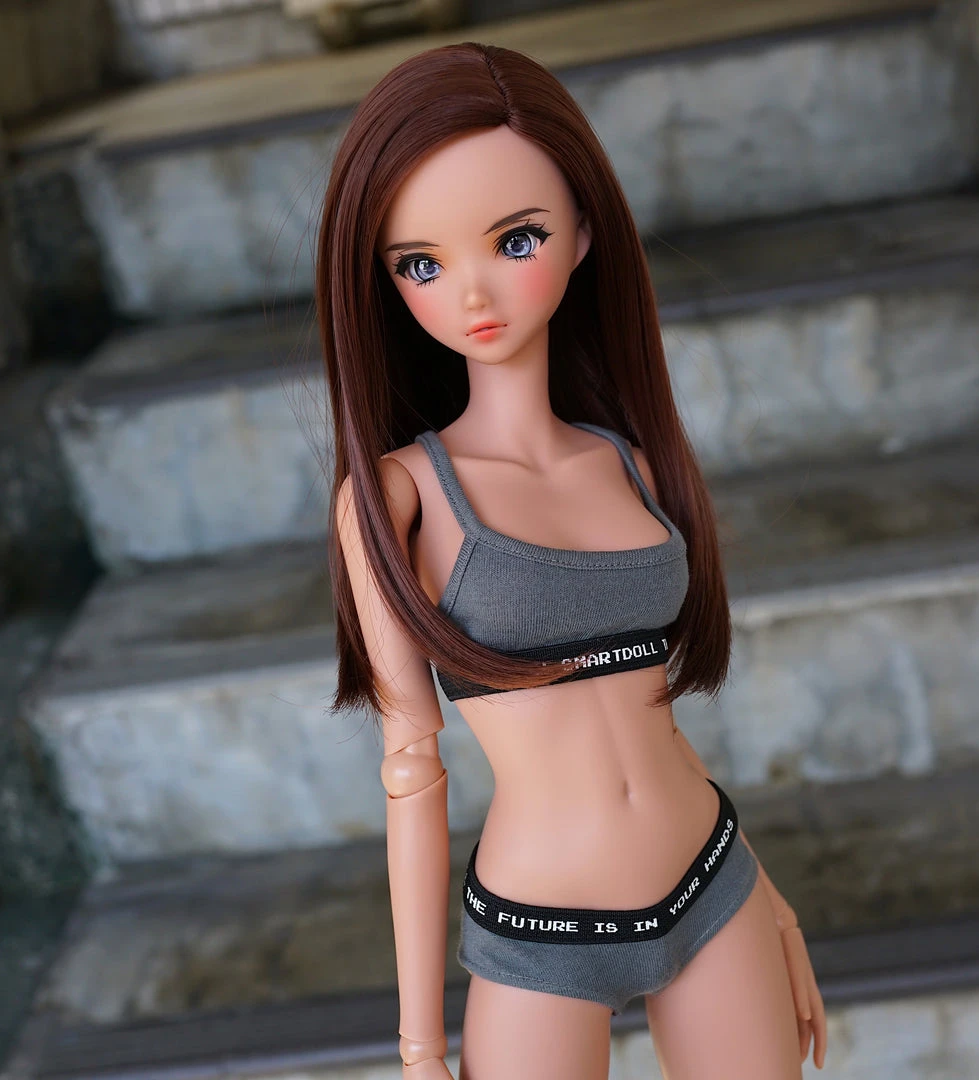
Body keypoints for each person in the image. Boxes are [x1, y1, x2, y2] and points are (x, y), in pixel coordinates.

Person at [320, 41, 826, 1079]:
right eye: (421, 264)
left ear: (585, 230)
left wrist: (770, 898)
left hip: (712, 882)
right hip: (541, 931)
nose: (472, 294)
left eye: (516, 240)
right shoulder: (401, 498)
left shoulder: (629, 461)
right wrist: (418, 1050)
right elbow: (410, 773)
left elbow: (652, 718)